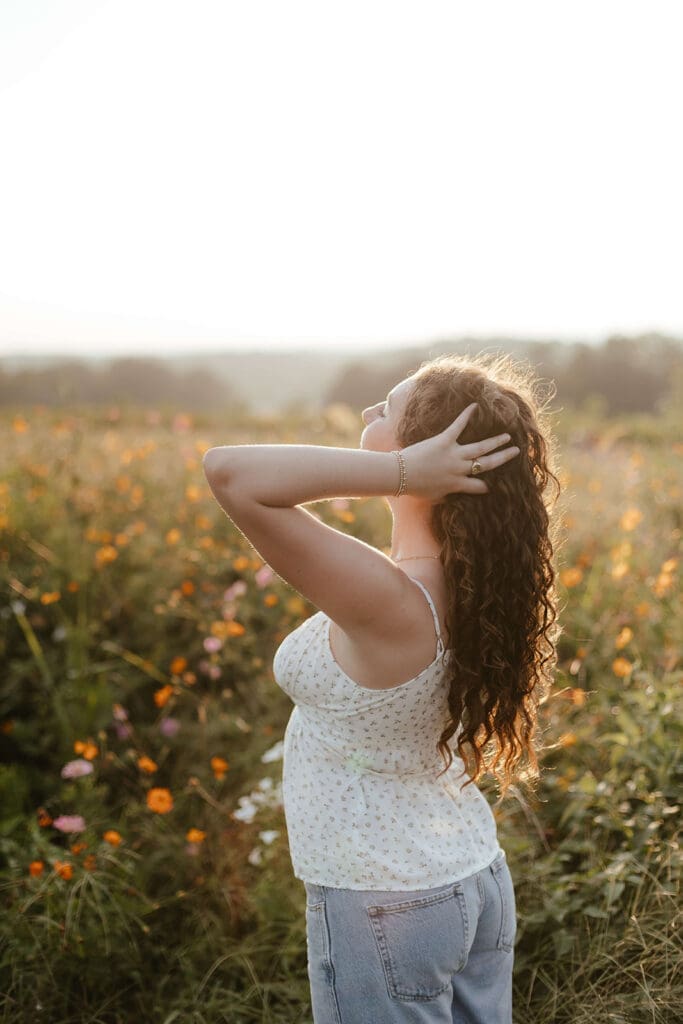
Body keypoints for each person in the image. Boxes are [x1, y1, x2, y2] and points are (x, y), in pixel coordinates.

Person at [203, 351, 563, 1024]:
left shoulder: (394, 601)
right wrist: (405, 471)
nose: (367, 412)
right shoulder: (473, 585)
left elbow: (228, 470)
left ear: (426, 450)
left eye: (386, 409)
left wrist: (401, 473)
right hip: (466, 873)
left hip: (384, 900)